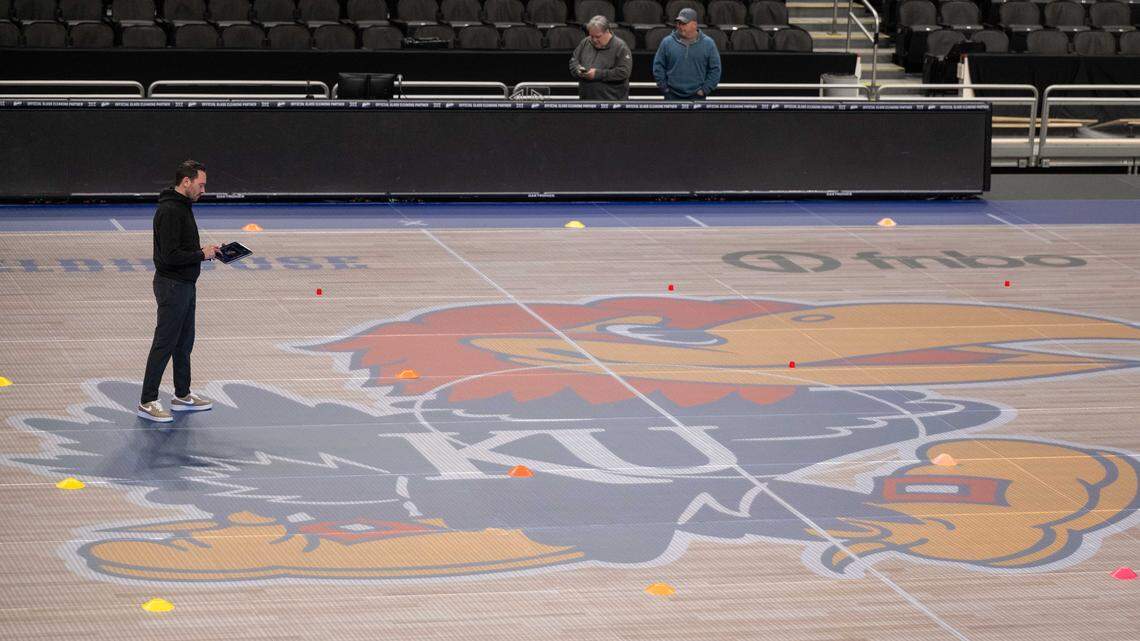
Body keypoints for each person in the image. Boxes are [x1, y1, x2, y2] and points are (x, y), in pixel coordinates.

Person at [138, 160, 218, 423]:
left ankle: (182, 396)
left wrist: (207, 251)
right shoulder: (171, 211)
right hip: (172, 286)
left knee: (184, 344)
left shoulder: (182, 206)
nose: (203, 189)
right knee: (165, 343)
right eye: (201, 184)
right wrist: (200, 255)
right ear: (187, 182)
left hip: (186, 284)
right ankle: (147, 401)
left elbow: (182, 248)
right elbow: (170, 256)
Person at [652, 7, 722, 101]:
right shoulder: (667, 42)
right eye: (679, 23)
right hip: (671, 96)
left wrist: (704, 90)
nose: (680, 26)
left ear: (695, 24)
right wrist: (665, 88)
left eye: (684, 23)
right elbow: (658, 66)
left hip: (697, 97)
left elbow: (715, 69)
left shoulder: (708, 44)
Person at [569, 16, 633, 100]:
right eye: (592, 36)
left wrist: (597, 74)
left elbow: (623, 72)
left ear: (607, 31)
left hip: (612, 103)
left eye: (598, 36)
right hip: (586, 101)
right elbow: (573, 61)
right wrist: (578, 70)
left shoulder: (620, 47)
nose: (594, 40)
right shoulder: (585, 42)